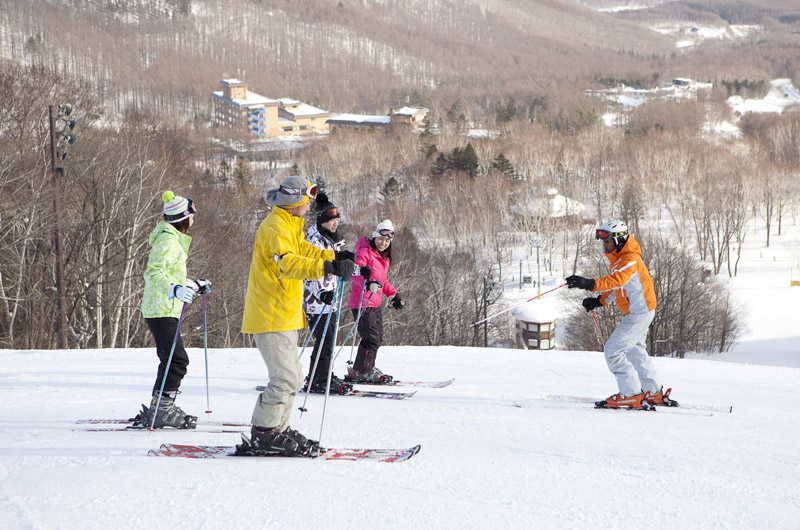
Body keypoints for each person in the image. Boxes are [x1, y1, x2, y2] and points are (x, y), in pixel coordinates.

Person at [242, 176, 355, 456]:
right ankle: (264, 433)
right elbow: (289, 263)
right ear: (294, 201)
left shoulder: (290, 225)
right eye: (306, 200)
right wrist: (327, 268)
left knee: (293, 378)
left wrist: (333, 258)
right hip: (270, 315)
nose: (309, 206)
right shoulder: (275, 228)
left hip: (285, 314)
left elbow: (304, 251)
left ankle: (278, 429)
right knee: (283, 379)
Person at [566, 220, 675, 410]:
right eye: (603, 241)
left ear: (619, 240)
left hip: (640, 312)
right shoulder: (619, 260)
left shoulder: (629, 260)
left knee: (613, 351)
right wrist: (599, 301)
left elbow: (616, 280)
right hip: (641, 311)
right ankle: (653, 392)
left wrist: (589, 284)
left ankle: (631, 395)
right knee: (635, 350)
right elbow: (617, 285)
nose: (604, 245)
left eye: (607, 241)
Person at [136, 191, 211, 429]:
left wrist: (191, 285)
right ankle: (162, 409)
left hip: (164, 307)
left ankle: (161, 407)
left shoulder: (172, 239)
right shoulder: (167, 240)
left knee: (171, 360)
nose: (193, 220)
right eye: (192, 215)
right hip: (160, 309)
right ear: (182, 218)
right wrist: (175, 289)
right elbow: (153, 273)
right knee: (176, 360)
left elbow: (170, 275)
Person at [303, 192, 369, 395]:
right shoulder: (313, 241)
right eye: (331, 220)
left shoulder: (333, 241)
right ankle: (318, 380)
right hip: (316, 301)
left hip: (331, 299)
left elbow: (341, 267)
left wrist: (360, 271)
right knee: (325, 339)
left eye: (337, 220)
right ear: (322, 220)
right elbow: (309, 272)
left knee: (329, 339)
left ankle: (323, 375)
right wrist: (322, 293)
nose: (335, 224)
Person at [346, 219, 404, 384]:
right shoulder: (365, 252)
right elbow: (354, 273)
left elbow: (382, 281)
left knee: (376, 338)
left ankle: (363, 369)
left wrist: (393, 295)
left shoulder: (383, 258)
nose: (383, 243)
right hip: (362, 302)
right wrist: (367, 284)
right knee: (371, 338)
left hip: (374, 303)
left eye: (387, 241)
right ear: (375, 237)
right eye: (381, 239)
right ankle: (363, 371)